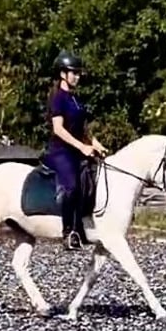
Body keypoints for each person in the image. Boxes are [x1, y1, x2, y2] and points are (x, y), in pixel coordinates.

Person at [42, 50, 107, 250]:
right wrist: (82, 146)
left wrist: (95, 143)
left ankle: (83, 227)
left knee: (92, 181)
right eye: (74, 73)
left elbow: (83, 129)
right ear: (63, 74)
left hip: (78, 149)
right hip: (61, 151)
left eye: (79, 73)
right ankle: (68, 232)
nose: (77, 76)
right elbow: (58, 129)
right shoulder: (58, 98)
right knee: (71, 186)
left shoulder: (75, 99)